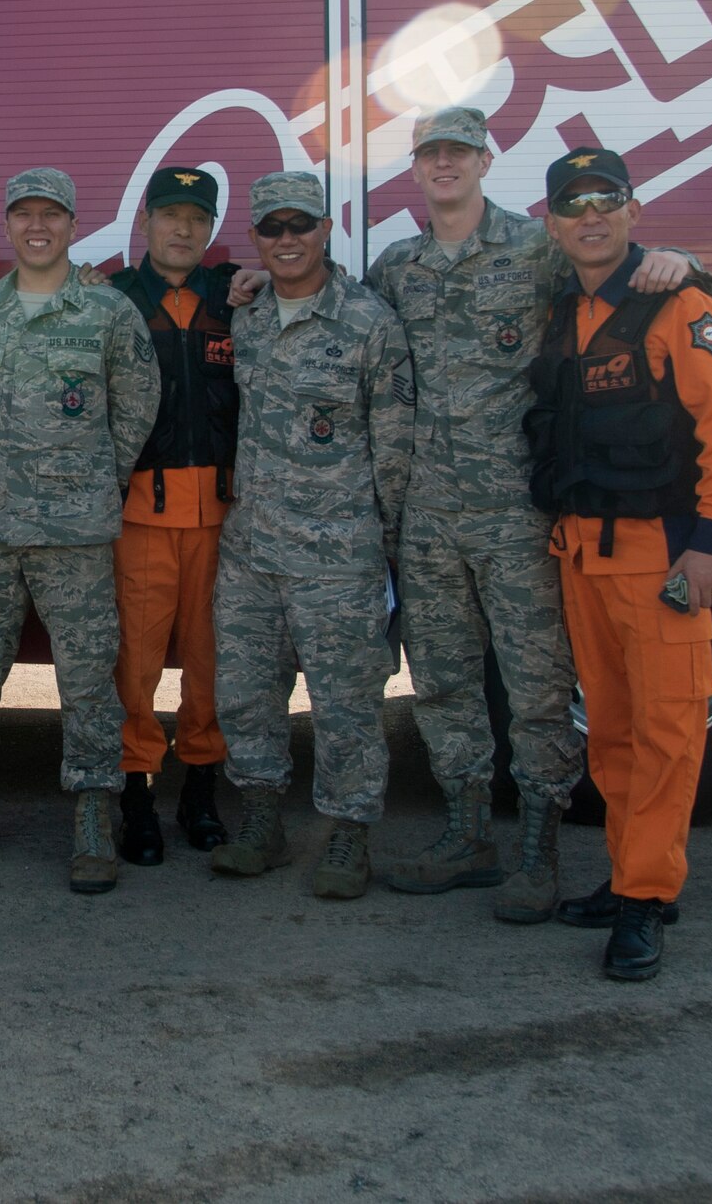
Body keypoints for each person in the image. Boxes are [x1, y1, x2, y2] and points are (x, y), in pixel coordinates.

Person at [363, 107, 702, 924]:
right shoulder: (394, 267)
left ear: (485, 160)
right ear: (415, 169)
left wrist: (684, 262)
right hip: (428, 514)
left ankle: (539, 849)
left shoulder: (538, 247)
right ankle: (468, 834)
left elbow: (615, 271)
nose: (445, 165)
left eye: (460, 152)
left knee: (537, 685)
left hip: (517, 509)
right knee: (442, 681)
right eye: (431, 154)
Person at [526, 147, 712, 980]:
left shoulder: (679, 302)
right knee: (614, 733)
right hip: (583, 555)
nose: (591, 216)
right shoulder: (564, 308)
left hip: (660, 558)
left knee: (665, 734)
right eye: (573, 204)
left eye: (605, 200)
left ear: (633, 210)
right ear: (552, 224)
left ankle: (646, 897)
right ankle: (633, 878)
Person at [0, 169, 159, 892]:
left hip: (76, 533)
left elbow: (136, 407)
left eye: (51, 214)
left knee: (86, 681)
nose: (36, 227)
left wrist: (97, 481)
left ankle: (94, 817)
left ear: (73, 224)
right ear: (7, 226)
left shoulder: (106, 313)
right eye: (23, 215)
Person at [208, 173, 412, 897]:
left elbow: (392, 447)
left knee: (348, 701)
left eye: (300, 224)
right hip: (254, 549)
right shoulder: (252, 314)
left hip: (338, 552)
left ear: (327, 229)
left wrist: (381, 547)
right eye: (271, 227)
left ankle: (349, 835)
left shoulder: (368, 322)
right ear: (257, 237)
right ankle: (262, 822)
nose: (286, 238)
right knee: (247, 692)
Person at [106, 167, 238, 865]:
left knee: (211, 664)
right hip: (141, 518)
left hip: (221, 518)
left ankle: (200, 791)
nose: (183, 229)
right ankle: (136, 795)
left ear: (211, 229)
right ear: (146, 221)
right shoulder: (114, 300)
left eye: (198, 218)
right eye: (170, 215)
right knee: (137, 665)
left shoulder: (236, 296)